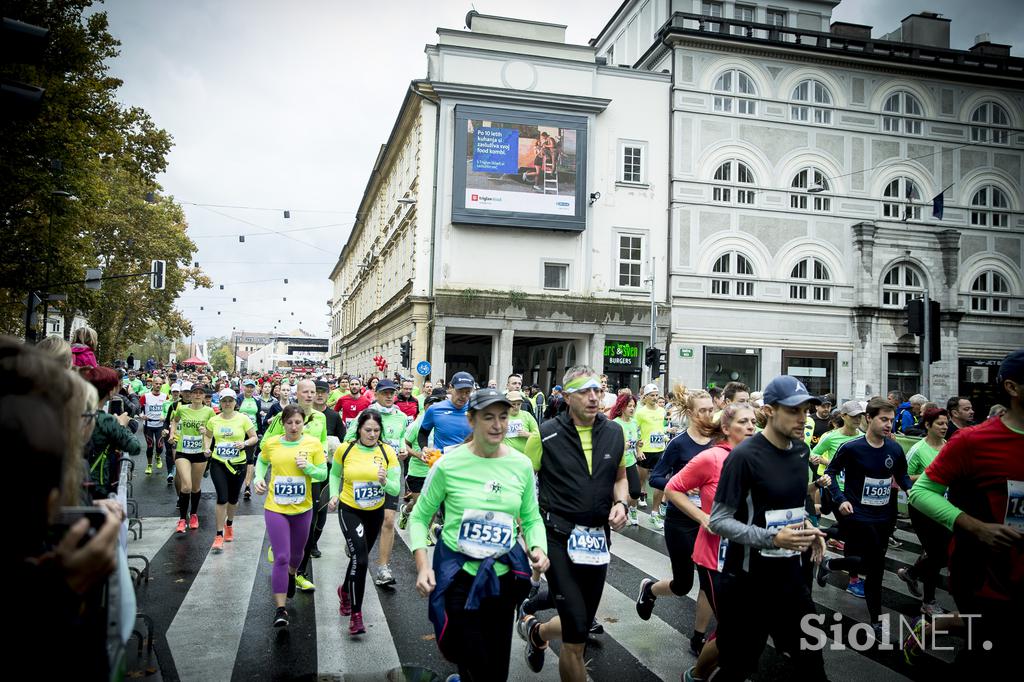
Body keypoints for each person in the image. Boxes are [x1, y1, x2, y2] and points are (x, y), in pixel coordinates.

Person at [410, 388, 548, 682]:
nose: (498, 425)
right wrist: (423, 566)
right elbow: (419, 518)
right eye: (488, 417)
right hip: (459, 574)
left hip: (502, 577)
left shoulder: (520, 464)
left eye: (503, 416)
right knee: (473, 659)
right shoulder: (448, 465)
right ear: (471, 420)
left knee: (496, 666)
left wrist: (538, 548)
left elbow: (531, 516)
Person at [908, 349, 1024, 674]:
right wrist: (975, 527)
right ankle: (936, 624)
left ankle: (939, 623)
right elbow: (919, 491)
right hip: (988, 572)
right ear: (1013, 388)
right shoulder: (973, 442)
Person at [707, 375, 827, 682]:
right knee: (738, 668)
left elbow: (790, 507)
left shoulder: (800, 452)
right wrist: (772, 537)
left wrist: (808, 530)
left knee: (812, 662)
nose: (803, 418)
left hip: (791, 579)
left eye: (806, 410)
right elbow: (719, 520)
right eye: (794, 410)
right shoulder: (744, 456)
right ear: (770, 410)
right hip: (748, 583)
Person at [519, 366, 628, 681]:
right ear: (566, 397)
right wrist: (528, 534)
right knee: (576, 636)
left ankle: (537, 633)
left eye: (597, 390)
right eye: (584, 391)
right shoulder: (545, 433)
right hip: (557, 537)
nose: (593, 397)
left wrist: (620, 503)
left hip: (596, 540)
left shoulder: (614, 432)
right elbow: (525, 487)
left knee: (578, 621)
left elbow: (620, 478)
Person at [658, 403, 757, 682]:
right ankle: (698, 675)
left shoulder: (756, 458)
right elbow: (672, 488)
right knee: (734, 626)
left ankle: (712, 670)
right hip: (715, 557)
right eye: (744, 422)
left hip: (749, 556)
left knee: (740, 625)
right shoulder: (711, 457)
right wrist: (702, 517)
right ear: (726, 428)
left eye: (753, 421)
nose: (751, 427)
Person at [821, 397, 913, 639]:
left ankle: (831, 565)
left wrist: (910, 489)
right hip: (857, 515)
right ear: (869, 418)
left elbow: (902, 476)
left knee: (870, 565)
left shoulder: (894, 449)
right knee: (872, 565)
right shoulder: (852, 448)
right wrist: (840, 500)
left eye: (891, 420)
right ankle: (875, 618)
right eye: (883, 419)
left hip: (884, 517)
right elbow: (830, 473)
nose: (888, 425)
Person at [639, 387, 716, 655]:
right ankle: (650, 589)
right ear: (691, 413)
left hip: (709, 521)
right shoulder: (679, 444)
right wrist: (682, 485)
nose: (708, 415)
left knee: (709, 582)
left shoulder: (720, 441)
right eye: (702, 410)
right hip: (681, 521)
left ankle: (698, 636)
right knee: (683, 584)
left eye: (711, 409)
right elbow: (655, 478)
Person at [328, 410, 402, 636]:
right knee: (360, 560)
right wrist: (334, 494)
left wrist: (384, 481)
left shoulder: (387, 451)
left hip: (374, 512)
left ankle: (344, 590)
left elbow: (396, 489)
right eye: (368, 430)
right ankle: (356, 616)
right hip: (350, 509)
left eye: (376, 431)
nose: (372, 434)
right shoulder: (346, 449)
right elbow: (335, 474)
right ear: (359, 429)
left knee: (357, 560)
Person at [254, 404, 328, 627]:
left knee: (296, 556)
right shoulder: (272, 443)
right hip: (276, 508)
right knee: (282, 557)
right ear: (283, 424)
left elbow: (323, 472)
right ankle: (280, 609)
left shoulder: (312, 444)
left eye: (298, 422)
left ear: (303, 423)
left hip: (302, 509)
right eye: (289, 423)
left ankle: (291, 575)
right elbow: (262, 460)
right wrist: (258, 478)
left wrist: (309, 469)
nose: (294, 427)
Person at [343, 378, 407, 587]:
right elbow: (348, 440)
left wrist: (404, 450)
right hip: (364, 478)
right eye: (385, 393)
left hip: (389, 475)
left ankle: (383, 568)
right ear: (376, 394)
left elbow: (404, 440)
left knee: (389, 520)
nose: (389, 396)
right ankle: (353, 539)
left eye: (392, 392)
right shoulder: (366, 414)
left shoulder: (402, 417)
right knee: (364, 518)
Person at [897, 407, 950, 616]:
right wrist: (928, 475)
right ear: (927, 425)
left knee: (941, 553)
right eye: (940, 424)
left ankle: (911, 572)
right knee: (937, 554)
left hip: (944, 507)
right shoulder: (918, 449)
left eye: (946, 423)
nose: (944, 427)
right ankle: (928, 602)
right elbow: (903, 478)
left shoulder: (948, 446)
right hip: (921, 507)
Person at [204, 388, 259, 552]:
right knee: (222, 498)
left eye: (230, 400)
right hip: (219, 463)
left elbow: (254, 437)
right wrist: (207, 448)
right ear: (220, 403)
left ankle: (229, 524)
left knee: (233, 499)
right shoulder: (214, 420)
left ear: (236, 402)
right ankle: (219, 534)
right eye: (224, 401)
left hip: (238, 464)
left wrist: (245, 444)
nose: (227, 403)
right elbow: (207, 435)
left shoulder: (243, 419)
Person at [81, 366, 141, 498]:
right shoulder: (106, 420)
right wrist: (121, 425)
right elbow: (135, 447)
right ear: (111, 391)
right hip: (96, 484)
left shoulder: (75, 413)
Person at [398, 388, 447, 532]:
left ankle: (425, 531)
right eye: (432, 405)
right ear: (425, 407)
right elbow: (405, 444)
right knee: (421, 503)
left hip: (436, 470)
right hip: (417, 471)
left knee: (432, 504)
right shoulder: (417, 424)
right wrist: (419, 455)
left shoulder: (442, 423)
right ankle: (406, 511)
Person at [169, 384, 215, 533]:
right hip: (183, 451)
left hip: (200, 453)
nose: (197, 395)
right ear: (190, 394)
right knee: (186, 486)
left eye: (201, 393)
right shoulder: (182, 409)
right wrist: (172, 434)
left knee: (195, 487)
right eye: (195, 392)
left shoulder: (209, 412)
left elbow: (211, 433)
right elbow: (174, 421)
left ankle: (193, 514)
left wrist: (206, 432)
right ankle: (182, 519)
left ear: (204, 396)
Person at [417, 372, 474, 455]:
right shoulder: (434, 409)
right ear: (451, 388)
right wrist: (424, 448)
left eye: (467, 392)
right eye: (460, 391)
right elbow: (423, 433)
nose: (463, 396)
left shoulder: (475, 410)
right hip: (443, 463)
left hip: (468, 463)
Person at [609, 393, 642, 525]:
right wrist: (622, 447)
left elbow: (638, 440)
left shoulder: (634, 423)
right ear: (622, 407)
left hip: (631, 462)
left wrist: (639, 450)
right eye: (629, 406)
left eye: (634, 406)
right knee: (613, 492)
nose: (632, 409)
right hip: (617, 464)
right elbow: (609, 447)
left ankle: (629, 508)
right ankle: (614, 514)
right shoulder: (614, 424)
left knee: (635, 491)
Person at [634, 383, 667, 514]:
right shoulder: (640, 413)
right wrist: (638, 449)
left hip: (660, 449)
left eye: (656, 395)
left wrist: (665, 434)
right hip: (645, 450)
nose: (654, 398)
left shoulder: (662, 411)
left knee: (660, 480)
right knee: (641, 480)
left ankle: (655, 510)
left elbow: (661, 427)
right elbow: (635, 430)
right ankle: (636, 503)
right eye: (652, 395)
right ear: (645, 397)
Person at [236, 379, 261, 500]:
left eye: (252, 387)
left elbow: (257, 416)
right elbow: (232, 413)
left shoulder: (257, 400)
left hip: (253, 431)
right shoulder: (238, 399)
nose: (250, 389)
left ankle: (247, 487)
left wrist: (260, 431)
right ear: (243, 387)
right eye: (247, 387)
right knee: (238, 458)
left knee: (250, 459)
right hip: (239, 432)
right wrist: (241, 415)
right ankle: (236, 485)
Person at [139, 376, 167, 475]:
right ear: (153, 384)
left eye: (160, 384)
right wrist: (142, 416)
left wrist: (165, 416)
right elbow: (139, 410)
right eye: (156, 383)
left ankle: (158, 456)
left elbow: (167, 410)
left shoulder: (165, 396)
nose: (158, 385)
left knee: (160, 447)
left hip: (160, 425)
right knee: (150, 446)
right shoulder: (145, 396)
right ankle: (149, 465)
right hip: (148, 425)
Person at [502, 390, 539, 454]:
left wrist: (527, 434)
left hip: (524, 456)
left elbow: (538, 436)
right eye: (513, 404)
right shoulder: (501, 417)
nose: (516, 407)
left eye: (518, 404)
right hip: (505, 456)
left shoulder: (527, 415)